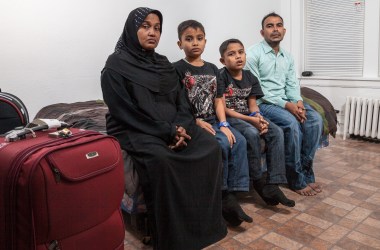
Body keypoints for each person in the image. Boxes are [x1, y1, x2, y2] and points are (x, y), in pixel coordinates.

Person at [101, 8, 227, 249]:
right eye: (145, 26)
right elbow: (123, 110)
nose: (152, 32)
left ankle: (206, 227)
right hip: (135, 128)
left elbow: (182, 101)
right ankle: (173, 237)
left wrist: (181, 127)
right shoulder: (115, 64)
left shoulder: (163, 64)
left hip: (173, 126)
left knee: (210, 147)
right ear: (131, 29)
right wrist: (166, 132)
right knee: (162, 159)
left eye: (157, 28)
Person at [172, 20, 253, 226]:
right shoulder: (176, 69)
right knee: (222, 144)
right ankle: (223, 194)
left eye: (199, 38)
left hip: (214, 119)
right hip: (194, 122)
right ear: (179, 44)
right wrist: (195, 121)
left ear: (205, 42)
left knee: (240, 140)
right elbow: (176, 103)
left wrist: (224, 124)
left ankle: (235, 192)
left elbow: (219, 100)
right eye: (188, 39)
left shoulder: (213, 69)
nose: (195, 43)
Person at [245, 12, 323, 196]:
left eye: (278, 25)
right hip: (264, 102)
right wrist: (287, 105)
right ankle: (295, 178)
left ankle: (306, 172)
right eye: (270, 26)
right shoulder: (252, 54)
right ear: (262, 31)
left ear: (284, 30)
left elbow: (292, 84)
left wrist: (299, 102)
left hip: (287, 101)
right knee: (292, 123)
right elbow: (258, 88)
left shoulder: (287, 57)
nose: (275, 29)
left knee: (315, 120)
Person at [218, 38, 295, 207]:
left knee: (276, 131)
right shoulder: (221, 76)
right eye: (231, 54)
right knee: (252, 133)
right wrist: (251, 121)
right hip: (232, 117)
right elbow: (223, 109)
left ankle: (274, 182)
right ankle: (258, 179)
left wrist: (259, 118)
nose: (238, 57)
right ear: (223, 60)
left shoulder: (250, 77)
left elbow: (253, 105)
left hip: (248, 115)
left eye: (240, 52)